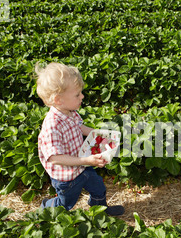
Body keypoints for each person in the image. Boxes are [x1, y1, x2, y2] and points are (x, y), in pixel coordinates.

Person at [35, 62, 124, 216]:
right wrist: (87, 161)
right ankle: (47, 208)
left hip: (82, 163)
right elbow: (55, 158)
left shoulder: (70, 111)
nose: (82, 96)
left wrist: (99, 135)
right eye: (77, 94)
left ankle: (99, 212)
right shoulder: (52, 125)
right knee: (65, 204)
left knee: (99, 188)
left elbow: (79, 127)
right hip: (67, 176)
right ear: (58, 100)